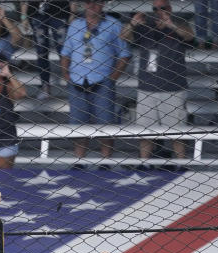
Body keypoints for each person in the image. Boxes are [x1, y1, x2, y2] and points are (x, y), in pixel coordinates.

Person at [123, 0, 193, 163]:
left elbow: (190, 35)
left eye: (162, 8)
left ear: (170, 9)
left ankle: (181, 165)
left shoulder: (179, 25)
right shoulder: (145, 27)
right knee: (145, 133)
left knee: (177, 133)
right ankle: (144, 164)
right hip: (147, 88)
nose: (158, 11)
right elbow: (124, 36)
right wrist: (132, 24)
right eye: (155, 9)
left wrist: (171, 24)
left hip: (173, 88)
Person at [60, 0, 131, 161]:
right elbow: (65, 52)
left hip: (102, 81)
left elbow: (125, 54)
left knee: (105, 125)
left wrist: (112, 78)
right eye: (89, 2)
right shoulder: (75, 25)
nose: (92, 6)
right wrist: (66, 74)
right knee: (78, 125)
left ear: (103, 4)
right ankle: (79, 161)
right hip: (77, 80)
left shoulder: (114, 24)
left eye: (97, 2)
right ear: (84, 5)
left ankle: (105, 161)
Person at [20, 0, 71, 99]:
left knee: (63, 50)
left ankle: (71, 84)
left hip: (59, 11)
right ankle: (45, 86)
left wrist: (72, 12)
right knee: (41, 51)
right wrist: (23, 16)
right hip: (37, 12)